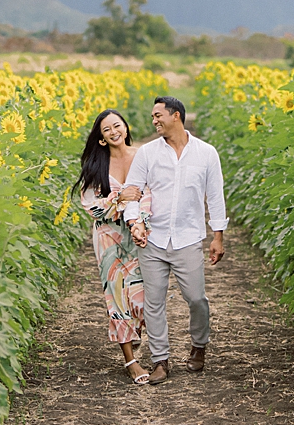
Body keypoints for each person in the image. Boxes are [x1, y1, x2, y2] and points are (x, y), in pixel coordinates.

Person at [119, 95, 226, 385]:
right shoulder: (147, 153)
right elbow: (132, 191)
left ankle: (198, 346)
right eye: (152, 116)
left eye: (158, 115)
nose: (153, 121)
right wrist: (135, 222)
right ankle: (161, 361)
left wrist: (218, 236)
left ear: (175, 115)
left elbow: (215, 196)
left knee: (196, 299)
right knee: (154, 303)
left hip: (188, 237)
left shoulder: (206, 153)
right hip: (152, 239)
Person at [73, 108, 153, 385]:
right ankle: (131, 361)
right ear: (102, 139)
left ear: (126, 128)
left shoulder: (143, 156)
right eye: (106, 130)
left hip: (140, 234)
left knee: (144, 297)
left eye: (117, 125)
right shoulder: (97, 166)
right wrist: (118, 199)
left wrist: (140, 221)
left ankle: (136, 334)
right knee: (117, 298)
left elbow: (152, 193)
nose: (113, 131)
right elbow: (91, 207)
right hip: (109, 239)